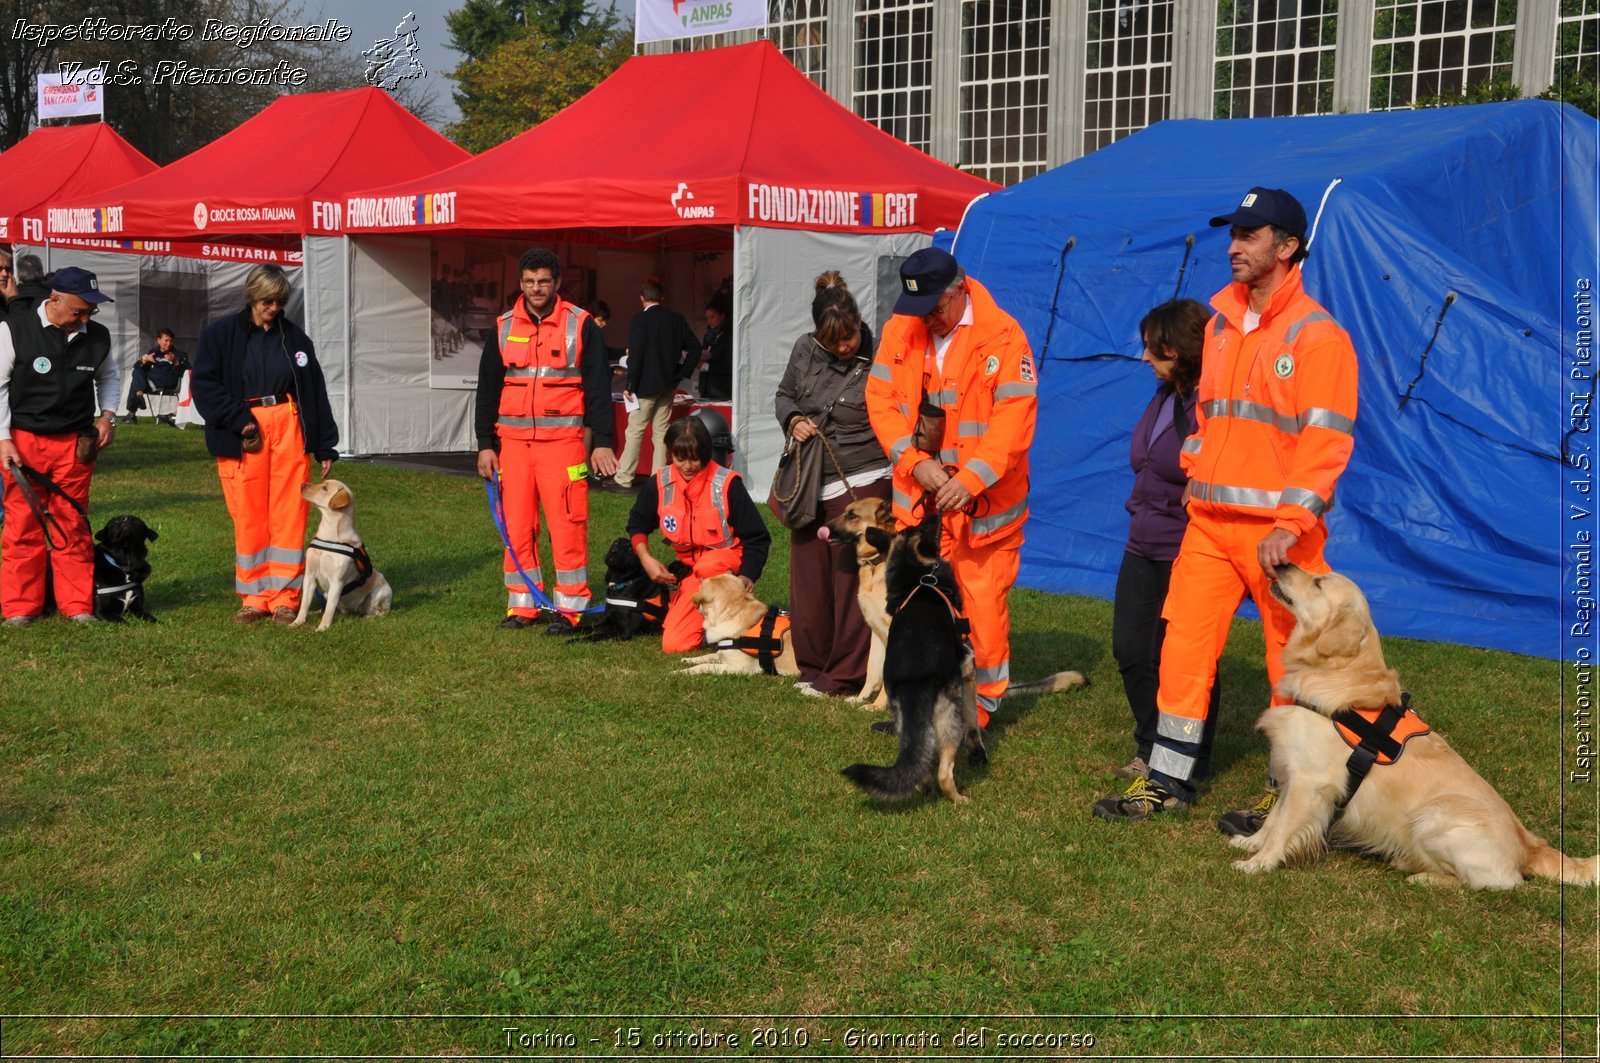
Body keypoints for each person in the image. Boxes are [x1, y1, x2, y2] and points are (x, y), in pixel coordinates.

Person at [1093, 186, 1359, 824]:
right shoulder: (1217, 326)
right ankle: (1168, 780)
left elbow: (1325, 444)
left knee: (1287, 666)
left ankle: (1289, 791)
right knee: (1182, 650)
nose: (1234, 246)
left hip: (1278, 537)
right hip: (1209, 527)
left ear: (1287, 247)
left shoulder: (1319, 337)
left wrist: (1291, 524)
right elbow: (1209, 416)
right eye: (1233, 234)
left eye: (1250, 235)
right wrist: (1195, 467)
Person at [864, 247, 1039, 730]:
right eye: (920, 310)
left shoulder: (1003, 338)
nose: (929, 321)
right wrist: (913, 461)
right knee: (917, 607)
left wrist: (970, 480)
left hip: (984, 510)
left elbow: (1013, 422)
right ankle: (915, 703)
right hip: (920, 506)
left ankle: (979, 710)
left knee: (981, 606)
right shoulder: (902, 328)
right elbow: (879, 399)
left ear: (959, 290)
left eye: (936, 309)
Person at [475, 248, 619, 632]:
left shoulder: (580, 324)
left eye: (542, 281)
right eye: (528, 281)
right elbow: (487, 390)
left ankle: (571, 608)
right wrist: (484, 444)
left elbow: (599, 390)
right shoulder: (503, 325)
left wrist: (603, 440)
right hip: (514, 447)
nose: (535, 288)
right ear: (520, 283)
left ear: (557, 283)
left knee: (567, 525)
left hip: (563, 446)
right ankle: (523, 605)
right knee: (518, 527)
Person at [190, 264, 341, 625]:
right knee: (248, 514)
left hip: (288, 426)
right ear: (252, 296)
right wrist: (238, 420)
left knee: (290, 512)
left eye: (279, 301)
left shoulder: (296, 339)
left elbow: (314, 392)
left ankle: (286, 599)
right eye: (268, 301)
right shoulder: (220, 334)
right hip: (245, 430)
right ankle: (253, 597)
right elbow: (205, 386)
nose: (274, 308)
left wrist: (324, 445)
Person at [1108, 299, 1220, 781]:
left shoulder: (1212, 406)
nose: (1144, 358)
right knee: (1131, 649)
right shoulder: (1164, 396)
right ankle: (1152, 741)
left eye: (1154, 349)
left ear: (1182, 351)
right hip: (1142, 542)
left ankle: (1185, 757)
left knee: (1182, 657)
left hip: (1187, 546)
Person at [774, 271, 890, 697]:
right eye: (835, 341)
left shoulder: (880, 355)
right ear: (819, 336)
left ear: (860, 322)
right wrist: (794, 419)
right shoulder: (805, 349)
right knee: (809, 584)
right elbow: (784, 394)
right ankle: (814, 666)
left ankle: (845, 676)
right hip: (809, 481)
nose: (845, 346)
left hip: (863, 478)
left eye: (851, 336)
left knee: (852, 586)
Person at [0, 266, 118, 626]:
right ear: (55, 300)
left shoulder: (97, 336)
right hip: (25, 441)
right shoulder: (14, 330)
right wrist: (3, 439)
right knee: (23, 526)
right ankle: (21, 608)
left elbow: (109, 377)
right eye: (79, 311)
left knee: (73, 523)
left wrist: (108, 416)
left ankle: (77, 606)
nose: (84, 318)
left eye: (90, 312)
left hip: (75, 445)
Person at [625, 415, 770, 652]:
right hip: (692, 572)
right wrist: (646, 559)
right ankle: (702, 614)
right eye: (680, 458)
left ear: (706, 453)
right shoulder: (660, 483)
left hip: (724, 564)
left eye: (695, 458)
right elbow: (637, 524)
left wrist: (746, 576)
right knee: (674, 644)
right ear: (670, 454)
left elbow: (757, 538)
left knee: (707, 566)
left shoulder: (726, 484)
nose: (688, 466)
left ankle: (733, 607)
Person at [610, 281, 698, 492]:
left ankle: (624, 477)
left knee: (635, 431)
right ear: (662, 297)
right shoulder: (676, 319)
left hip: (644, 386)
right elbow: (695, 348)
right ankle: (659, 478)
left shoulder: (639, 320)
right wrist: (682, 373)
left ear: (642, 298)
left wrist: (630, 383)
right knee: (661, 433)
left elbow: (638, 356)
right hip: (668, 385)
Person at [121, 329, 191, 425]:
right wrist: (143, 361)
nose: (169, 343)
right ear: (158, 340)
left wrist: (176, 362)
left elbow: (188, 371)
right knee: (138, 370)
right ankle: (138, 395)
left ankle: (132, 412)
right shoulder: (153, 353)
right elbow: (136, 367)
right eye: (166, 340)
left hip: (168, 381)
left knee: (137, 379)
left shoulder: (179, 354)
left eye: (170, 340)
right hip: (151, 382)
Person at [698, 288, 733, 401]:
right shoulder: (708, 335)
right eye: (707, 318)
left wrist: (705, 366)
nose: (709, 321)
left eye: (712, 317)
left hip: (720, 391)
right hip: (705, 388)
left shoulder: (729, 336)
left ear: (722, 316)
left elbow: (730, 366)